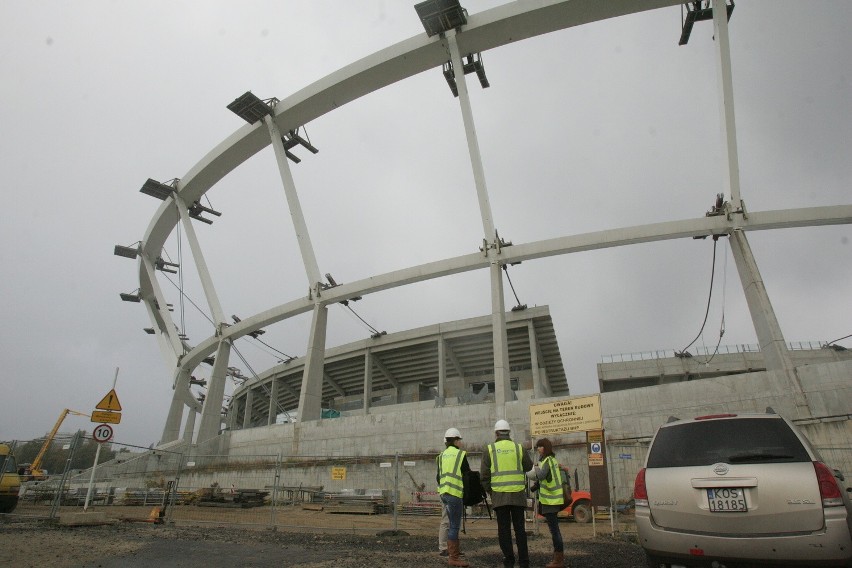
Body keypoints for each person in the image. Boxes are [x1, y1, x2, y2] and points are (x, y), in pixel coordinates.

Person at [480, 419, 533, 568]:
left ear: (496, 433)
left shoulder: (489, 449)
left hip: (499, 496)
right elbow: (528, 467)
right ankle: (524, 562)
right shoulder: (518, 448)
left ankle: (509, 561)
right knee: (520, 530)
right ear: (509, 432)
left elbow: (483, 476)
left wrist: (491, 491)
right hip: (517, 496)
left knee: (504, 531)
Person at [528, 438, 569, 568]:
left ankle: (558, 560)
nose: (538, 449)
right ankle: (558, 559)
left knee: (554, 531)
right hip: (553, 500)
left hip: (550, 500)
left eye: (540, 446)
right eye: (538, 447)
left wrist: (535, 467)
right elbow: (547, 479)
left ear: (545, 448)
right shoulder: (552, 460)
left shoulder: (547, 461)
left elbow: (541, 476)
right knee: (554, 530)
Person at [437, 427, 471, 567]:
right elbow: (467, 475)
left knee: (449, 523)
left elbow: (438, 477)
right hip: (455, 494)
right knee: (454, 526)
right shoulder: (460, 455)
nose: (461, 443)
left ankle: (451, 552)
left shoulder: (441, 456)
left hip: (443, 493)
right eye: (460, 440)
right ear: (456, 441)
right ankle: (453, 557)